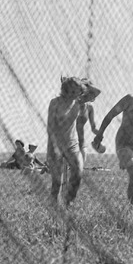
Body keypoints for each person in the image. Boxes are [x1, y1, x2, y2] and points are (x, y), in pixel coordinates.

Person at [47, 76, 87, 206]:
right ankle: (54, 205)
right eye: (71, 90)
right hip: (55, 144)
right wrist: (54, 146)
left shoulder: (79, 104)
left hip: (72, 144)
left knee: (78, 171)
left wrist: (81, 85)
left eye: (77, 90)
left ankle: (69, 201)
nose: (74, 93)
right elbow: (50, 126)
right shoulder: (55, 102)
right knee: (57, 181)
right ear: (65, 89)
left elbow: (97, 92)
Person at [77, 80, 101, 169]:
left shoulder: (89, 107)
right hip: (69, 142)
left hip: (81, 143)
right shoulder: (74, 102)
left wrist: (100, 134)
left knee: (79, 170)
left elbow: (93, 128)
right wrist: (82, 84)